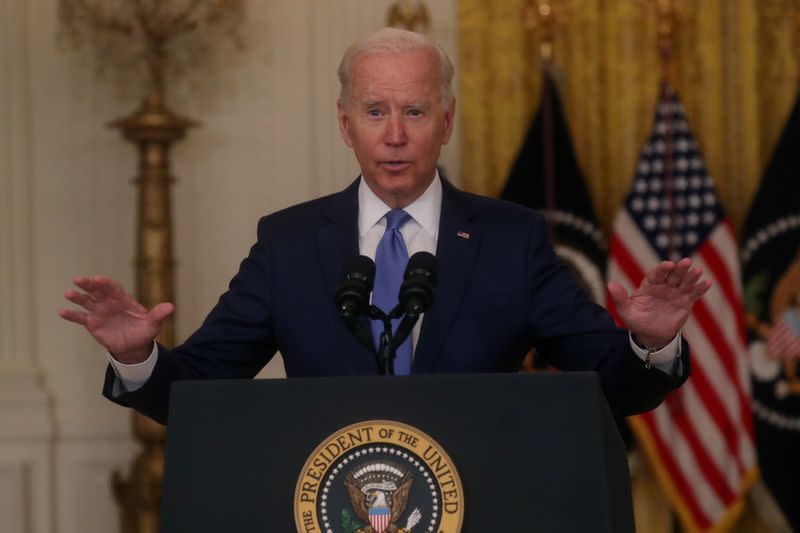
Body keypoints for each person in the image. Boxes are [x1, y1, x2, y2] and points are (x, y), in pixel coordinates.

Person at [59, 28, 710, 425]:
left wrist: (648, 344)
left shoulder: (511, 239)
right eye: (374, 111)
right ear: (345, 123)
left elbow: (610, 383)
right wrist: (136, 355)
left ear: (446, 121)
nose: (395, 135)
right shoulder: (288, 243)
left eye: (415, 111)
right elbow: (197, 394)